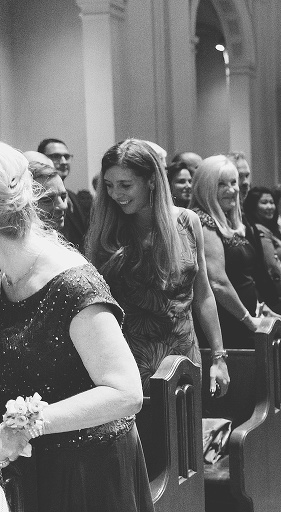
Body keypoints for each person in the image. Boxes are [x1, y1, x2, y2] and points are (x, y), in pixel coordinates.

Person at [0, 142, 152, 511]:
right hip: (30, 468)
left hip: (87, 472)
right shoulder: (6, 278)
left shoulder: (71, 284)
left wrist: (24, 425)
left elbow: (125, 392)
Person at [84, 139, 230, 396]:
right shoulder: (109, 231)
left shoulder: (188, 221)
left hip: (183, 352)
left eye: (125, 185)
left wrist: (219, 356)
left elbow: (204, 294)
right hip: (129, 360)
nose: (116, 194)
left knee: (185, 431)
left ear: (151, 180)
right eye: (109, 185)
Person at [188, 156, 280, 348]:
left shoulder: (227, 221)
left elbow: (243, 276)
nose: (232, 190)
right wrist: (248, 319)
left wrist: (259, 308)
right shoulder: (204, 221)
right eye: (221, 184)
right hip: (226, 323)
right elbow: (217, 283)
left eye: (233, 182)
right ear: (206, 187)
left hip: (242, 319)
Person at [243, 187, 281, 297]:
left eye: (272, 202)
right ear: (253, 206)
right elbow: (272, 266)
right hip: (276, 292)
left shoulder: (269, 228)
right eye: (264, 203)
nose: (269, 207)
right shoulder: (259, 229)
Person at [38, 138, 90, 249]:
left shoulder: (73, 197)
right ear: (41, 159)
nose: (63, 162)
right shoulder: (37, 199)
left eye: (66, 157)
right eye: (56, 156)